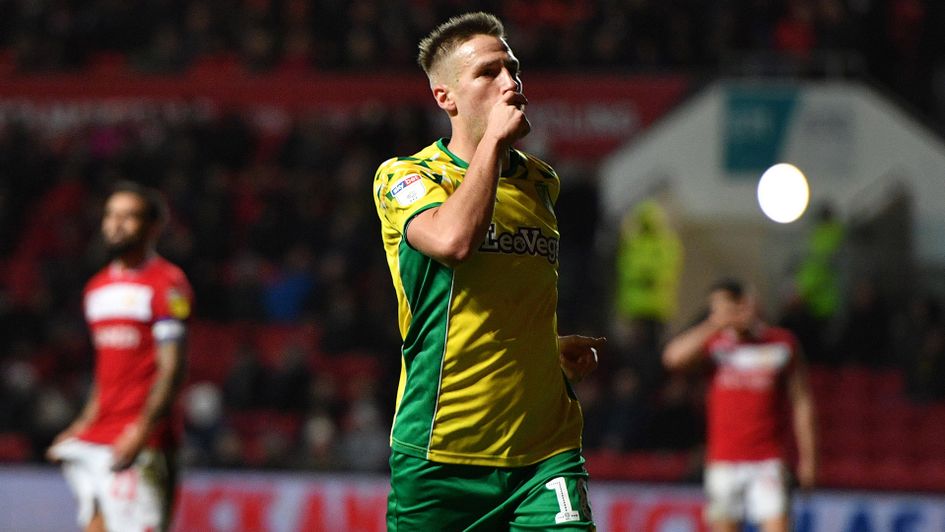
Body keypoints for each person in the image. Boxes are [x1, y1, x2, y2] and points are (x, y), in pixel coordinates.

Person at [372, 12, 604, 531]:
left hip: (545, 450)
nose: (511, 82)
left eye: (513, 68)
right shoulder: (408, 176)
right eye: (488, 72)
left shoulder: (540, 181)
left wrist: (541, 349)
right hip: (441, 451)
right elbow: (453, 243)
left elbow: (501, 292)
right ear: (445, 97)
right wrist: (494, 144)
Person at [47, 182, 193, 532]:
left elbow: (172, 367)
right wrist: (84, 423)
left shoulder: (168, 284)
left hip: (142, 439)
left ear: (153, 227)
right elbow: (106, 369)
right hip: (99, 434)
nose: (116, 224)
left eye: (128, 217)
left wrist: (142, 431)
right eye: (111, 215)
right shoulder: (96, 289)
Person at [662, 278, 817, 532]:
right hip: (724, 459)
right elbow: (672, 358)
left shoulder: (781, 344)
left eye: (728, 306)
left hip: (768, 459)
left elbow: (802, 403)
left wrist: (808, 460)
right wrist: (715, 324)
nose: (725, 313)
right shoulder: (715, 344)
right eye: (716, 309)